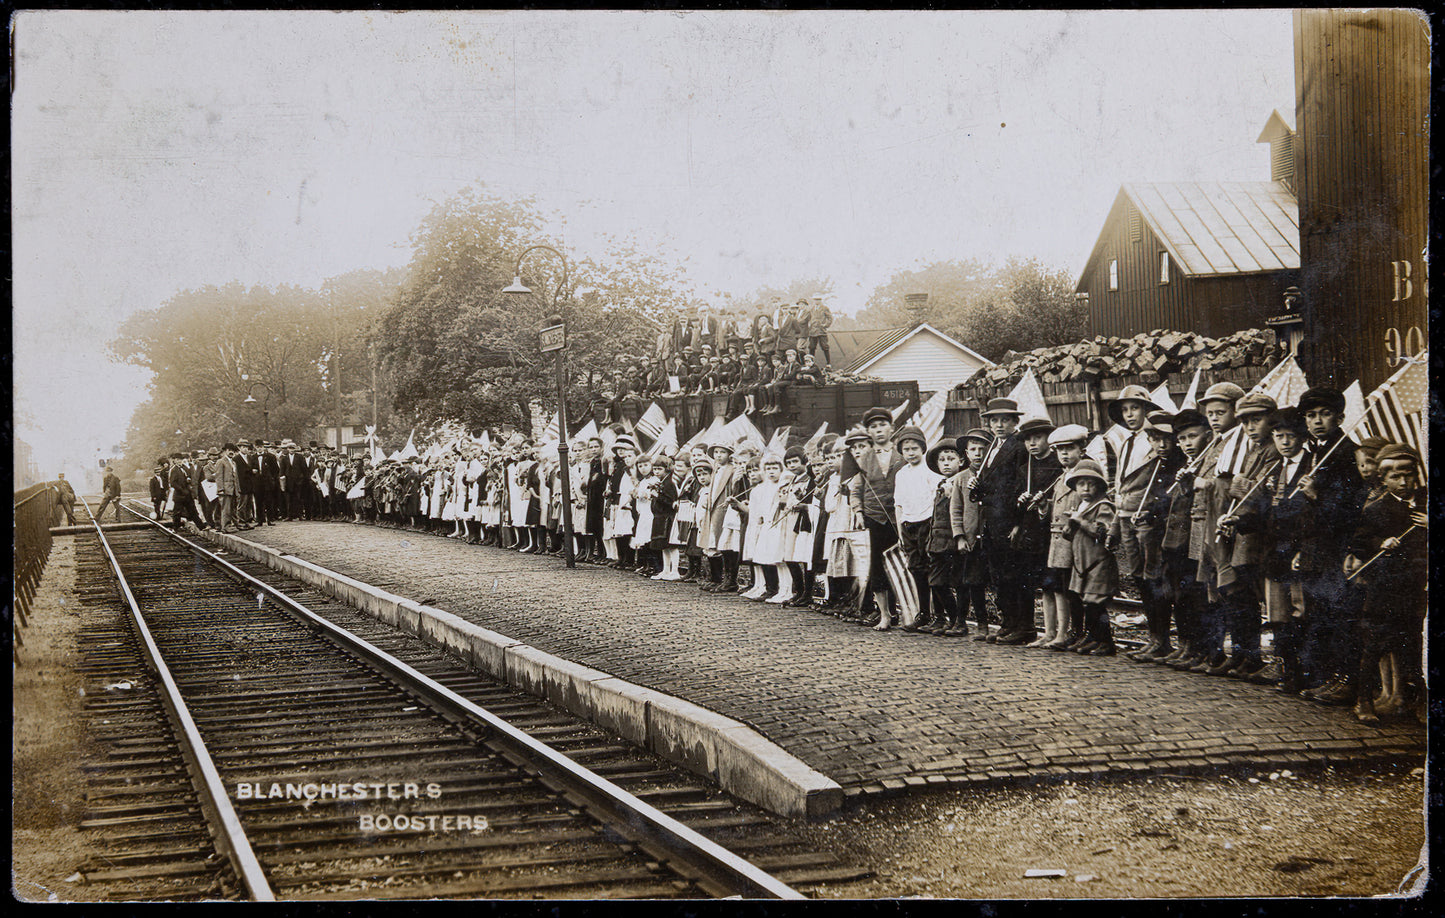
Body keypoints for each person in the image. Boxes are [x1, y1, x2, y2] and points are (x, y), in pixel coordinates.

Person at [1293, 387, 1368, 707]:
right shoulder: (1313, 451)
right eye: (1311, 415)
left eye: (1324, 414)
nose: (1317, 421)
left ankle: (1346, 681)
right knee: (1320, 613)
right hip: (1315, 548)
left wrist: (1315, 496)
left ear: (1339, 417)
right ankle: (1326, 678)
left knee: (1341, 616)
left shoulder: (1346, 454)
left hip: (1338, 548)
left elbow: (1350, 509)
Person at [1343, 444, 1426, 724]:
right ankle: (1363, 700)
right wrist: (1381, 542)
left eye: (1408, 475)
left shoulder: (1428, 502)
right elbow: (1359, 542)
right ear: (1383, 479)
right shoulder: (1376, 509)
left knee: (1416, 646)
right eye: (1394, 477)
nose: (1403, 483)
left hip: (1418, 586)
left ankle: (1421, 703)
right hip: (1387, 588)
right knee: (1376, 643)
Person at [970, 398, 1030, 644]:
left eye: (1005, 420)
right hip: (991, 521)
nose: (999, 425)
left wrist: (1018, 522)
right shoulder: (993, 446)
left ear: (1015, 421)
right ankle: (1008, 623)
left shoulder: (1019, 447)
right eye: (994, 420)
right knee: (999, 575)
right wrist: (978, 487)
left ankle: (1023, 626)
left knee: (1015, 574)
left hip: (1008, 519)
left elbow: (1018, 485)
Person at [847, 407, 908, 628]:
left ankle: (909, 612)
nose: (879, 430)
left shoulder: (903, 452)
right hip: (874, 518)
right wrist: (859, 512)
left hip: (900, 517)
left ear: (891, 428)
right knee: (877, 567)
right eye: (873, 427)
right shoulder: (864, 457)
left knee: (904, 565)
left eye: (882, 425)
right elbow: (856, 490)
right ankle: (885, 615)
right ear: (868, 432)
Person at [1062, 458, 1118, 655]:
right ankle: (1093, 638)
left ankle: (1106, 642)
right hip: (1082, 564)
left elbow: (1102, 533)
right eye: (1080, 484)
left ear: (1099, 486)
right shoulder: (1080, 506)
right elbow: (1069, 535)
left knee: (1096, 603)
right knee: (1086, 603)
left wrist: (1082, 522)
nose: (1085, 488)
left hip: (1098, 563)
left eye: (1090, 483)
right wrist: (1070, 524)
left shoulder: (1103, 506)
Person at [1041, 424, 1089, 649]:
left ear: (1082, 449)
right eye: (1060, 450)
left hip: (1075, 541)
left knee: (1071, 589)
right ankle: (1056, 633)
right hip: (1057, 541)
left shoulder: (1085, 475)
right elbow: (1056, 509)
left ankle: (1070, 633)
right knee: (1056, 587)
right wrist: (1044, 506)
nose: (1064, 454)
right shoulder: (1061, 478)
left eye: (1070, 448)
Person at [891, 425, 939, 632]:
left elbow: (936, 501)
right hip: (909, 525)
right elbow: (898, 504)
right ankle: (924, 614)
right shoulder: (901, 474)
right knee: (916, 569)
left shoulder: (930, 470)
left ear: (923, 448)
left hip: (927, 523)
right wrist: (901, 531)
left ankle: (940, 615)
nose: (910, 453)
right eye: (906, 449)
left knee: (932, 569)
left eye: (914, 448)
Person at [950, 429, 992, 639]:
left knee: (991, 580)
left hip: (990, 538)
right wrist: (959, 536)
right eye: (973, 449)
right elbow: (956, 510)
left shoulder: (993, 475)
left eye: (982, 449)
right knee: (970, 581)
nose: (978, 453)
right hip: (969, 539)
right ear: (966, 453)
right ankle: (971, 623)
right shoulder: (960, 479)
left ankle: (994, 624)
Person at [922, 437, 965, 635]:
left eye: (950, 459)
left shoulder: (962, 482)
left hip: (955, 540)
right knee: (936, 582)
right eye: (942, 460)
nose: (946, 463)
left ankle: (958, 621)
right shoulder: (940, 484)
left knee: (958, 581)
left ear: (961, 462)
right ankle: (949, 616)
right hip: (938, 542)